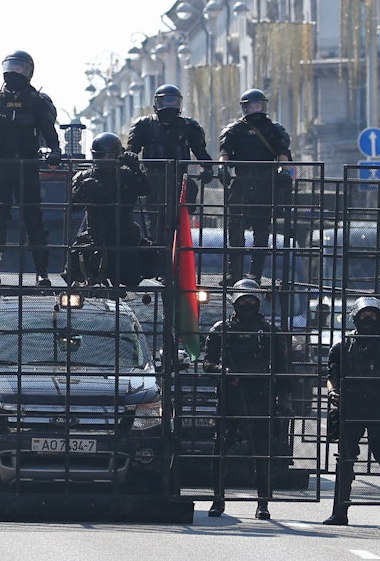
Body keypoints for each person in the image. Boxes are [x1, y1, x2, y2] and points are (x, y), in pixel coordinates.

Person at [0, 50, 59, 286]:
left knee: (33, 220)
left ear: (28, 71)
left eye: (19, 68)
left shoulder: (38, 102)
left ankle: (42, 273)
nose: (13, 72)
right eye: (10, 67)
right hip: (0, 167)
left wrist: (56, 151)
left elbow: (49, 131)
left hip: (27, 168)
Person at [203, 279, 291, 520]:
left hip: (260, 395)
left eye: (252, 299)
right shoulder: (221, 329)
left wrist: (284, 402)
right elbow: (207, 363)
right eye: (243, 300)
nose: (248, 304)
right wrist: (225, 372)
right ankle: (218, 500)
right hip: (231, 396)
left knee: (261, 452)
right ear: (235, 302)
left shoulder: (271, 331)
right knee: (221, 449)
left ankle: (263, 503)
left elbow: (283, 371)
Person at [322, 298, 380, 527]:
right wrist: (333, 394)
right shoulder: (343, 346)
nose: (368, 318)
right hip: (351, 409)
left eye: (372, 314)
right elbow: (331, 377)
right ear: (355, 317)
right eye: (363, 315)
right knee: (345, 461)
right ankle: (339, 512)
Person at [216, 89, 294, 285]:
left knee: (261, 230)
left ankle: (255, 273)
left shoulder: (274, 129)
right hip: (242, 181)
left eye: (259, 105)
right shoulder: (234, 130)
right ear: (245, 107)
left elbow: (282, 153)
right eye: (252, 106)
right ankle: (234, 273)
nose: (256, 109)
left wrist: (285, 172)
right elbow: (225, 152)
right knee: (235, 228)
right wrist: (222, 168)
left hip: (266, 182)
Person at [125, 84, 212, 250]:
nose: (169, 106)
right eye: (165, 101)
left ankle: (175, 261)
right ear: (156, 104)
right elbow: (132, 150)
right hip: (152, 181)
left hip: (179, 180)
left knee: (178, 222)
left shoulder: (189, 126)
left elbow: (201, 152)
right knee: (155, 221)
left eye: (173, 102)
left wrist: (207, 169)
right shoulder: (144, 125)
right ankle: (157, 260)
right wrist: (130, 158)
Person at [67, 132, 153, 287]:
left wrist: (136, 169)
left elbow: (145, 189)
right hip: (94, 233)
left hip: (123, 233)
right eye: (102, 157)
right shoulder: (84, 176)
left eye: (110, 156)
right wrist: (83, 190)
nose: (107, 161)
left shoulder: (126, 175)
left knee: (131, 274)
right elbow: (72, 207)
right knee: (76, 263)